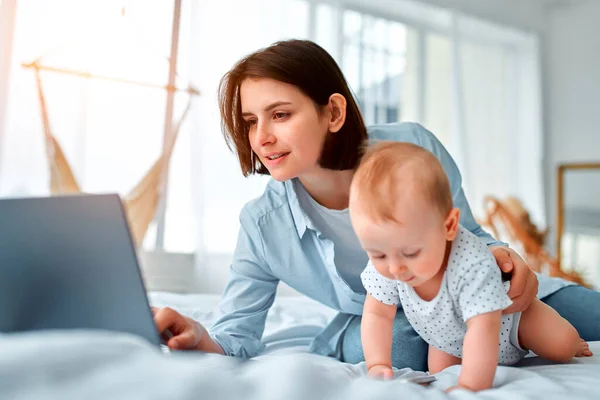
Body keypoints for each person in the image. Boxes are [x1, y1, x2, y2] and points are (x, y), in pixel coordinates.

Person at [152, 39, 599, 371]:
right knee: (403, 344)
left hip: (468, 296)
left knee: (587, 317)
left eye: (281, 114)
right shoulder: (262, 226)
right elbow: (237, 336)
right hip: (391, 323)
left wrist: (506, 261)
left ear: (333, 112)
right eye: (251, 122)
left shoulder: (413, 146)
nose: (261, 137)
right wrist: (198, 336)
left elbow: (471, 237)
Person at [349, 141, 592, 391]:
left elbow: (483, 328)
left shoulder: (470, 263)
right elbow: (378, 313)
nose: (395, 268)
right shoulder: (392, 252)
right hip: (447, 339)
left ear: (449, 226)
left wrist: (470, 385)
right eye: (377, 254)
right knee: (441, 376)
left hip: (510, 321)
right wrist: (377, 363)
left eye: (411, 253)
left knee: (561, 346)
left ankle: (572, 341)